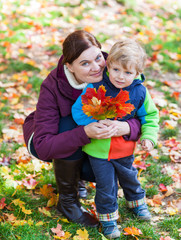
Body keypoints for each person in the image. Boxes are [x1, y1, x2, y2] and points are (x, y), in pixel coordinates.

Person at [22, 30, 142, 228]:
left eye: (97, 58)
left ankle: (77, 176)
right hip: (47, 138)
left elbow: (142, 112)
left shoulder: (116, 70)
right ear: (69, 66)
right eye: (84, 63)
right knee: (69, 121)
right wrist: (85, 132)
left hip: (95, 145)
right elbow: (43, 145)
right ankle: (68, 202)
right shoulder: (52, 86)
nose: (96, 67)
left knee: (110, 170)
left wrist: (126, 126)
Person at [72, 38, 159, 238]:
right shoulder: (95, 88)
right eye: (116, 70)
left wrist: (149, 137)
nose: (121, 77)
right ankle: (109, 219)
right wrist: (91, 122)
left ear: (137, 73)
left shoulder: (139, 92)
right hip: (98, 151)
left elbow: (151, 117)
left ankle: (137, 203)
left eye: (128, 73)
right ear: (108, 65)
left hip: (124, 149)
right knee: (106, 186)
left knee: (130, 178)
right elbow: (78, 110)